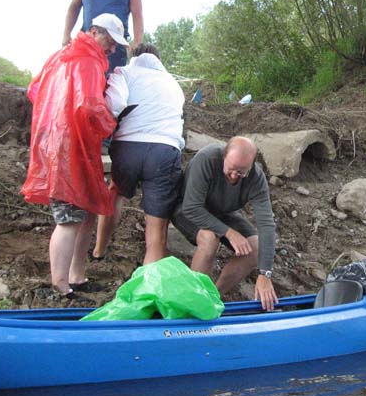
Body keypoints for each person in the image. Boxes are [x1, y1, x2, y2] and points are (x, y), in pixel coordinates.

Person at [21, 13, 128, 297]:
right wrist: (111, 123)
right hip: (71, 149)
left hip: (59, 143)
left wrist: (57, 115)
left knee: (86, 213)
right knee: (69, 218)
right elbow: (89, 105)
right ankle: (61, 287)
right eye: (110, 41)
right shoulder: (88, 60)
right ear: (93, 32)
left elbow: (35, 90)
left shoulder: (60, 57)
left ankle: (76, 276)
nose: (112, 49)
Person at [92, 44, 185, 265]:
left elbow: (114, 103)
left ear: (134, 57)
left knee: (115, 192)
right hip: (165, 149)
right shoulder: (173, 83)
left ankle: (98, 251)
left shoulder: (125, 72)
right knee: (157, 222)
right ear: (159, 59)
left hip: (128, 147)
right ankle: (150, 276)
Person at [170, 137, 279, 311]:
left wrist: (265, 273)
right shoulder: (207, 159)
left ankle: (213, 298)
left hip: (223, 213)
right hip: (188, 209)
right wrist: (228, 232)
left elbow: (266, 224)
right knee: (209, 239)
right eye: (231, 169)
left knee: (255, 248)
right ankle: (194, 299)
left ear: (251, 165)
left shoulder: (256, 178)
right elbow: (191, 207)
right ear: (224, 156)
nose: (235, 175)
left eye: (241, 172)